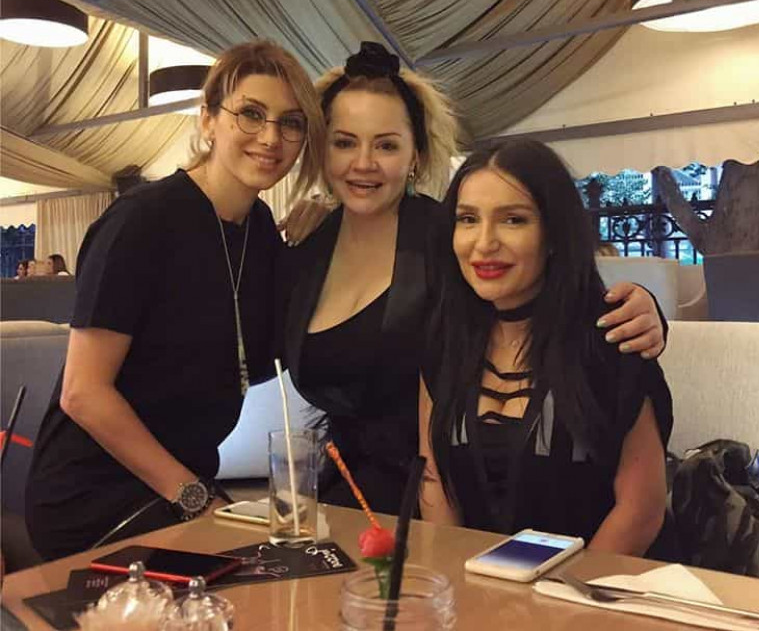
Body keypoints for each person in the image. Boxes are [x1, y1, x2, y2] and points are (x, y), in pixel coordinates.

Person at [281, 42, 667, 516]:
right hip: (344, 493)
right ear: (321, 150)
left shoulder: (453, 237)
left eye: (386, 145)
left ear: (416, 154)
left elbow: (550, 292)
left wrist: (647, 306)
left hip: (454, 494)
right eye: (344, 142)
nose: (363, 163)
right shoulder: (306, 248)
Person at [26, 40, 325, 560]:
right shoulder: (143, 220)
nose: (271, 137)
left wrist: (323, 236)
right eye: (251, 114)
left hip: (184, 486)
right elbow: (83, 393)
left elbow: (265, 355)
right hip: (94, 498)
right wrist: (193, 498)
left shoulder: (259, 231)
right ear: (208, 120)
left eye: (291, 122)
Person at [419, 139, 672, 557]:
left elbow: (641, 511)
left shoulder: (612, 336)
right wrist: (454, 579)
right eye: (468, 219)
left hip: (592, 584)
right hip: (472, 582)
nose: (484, 242)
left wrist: (561, 592)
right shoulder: (444, 337)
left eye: (513, 220)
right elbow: (435, 483)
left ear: (554, 233)